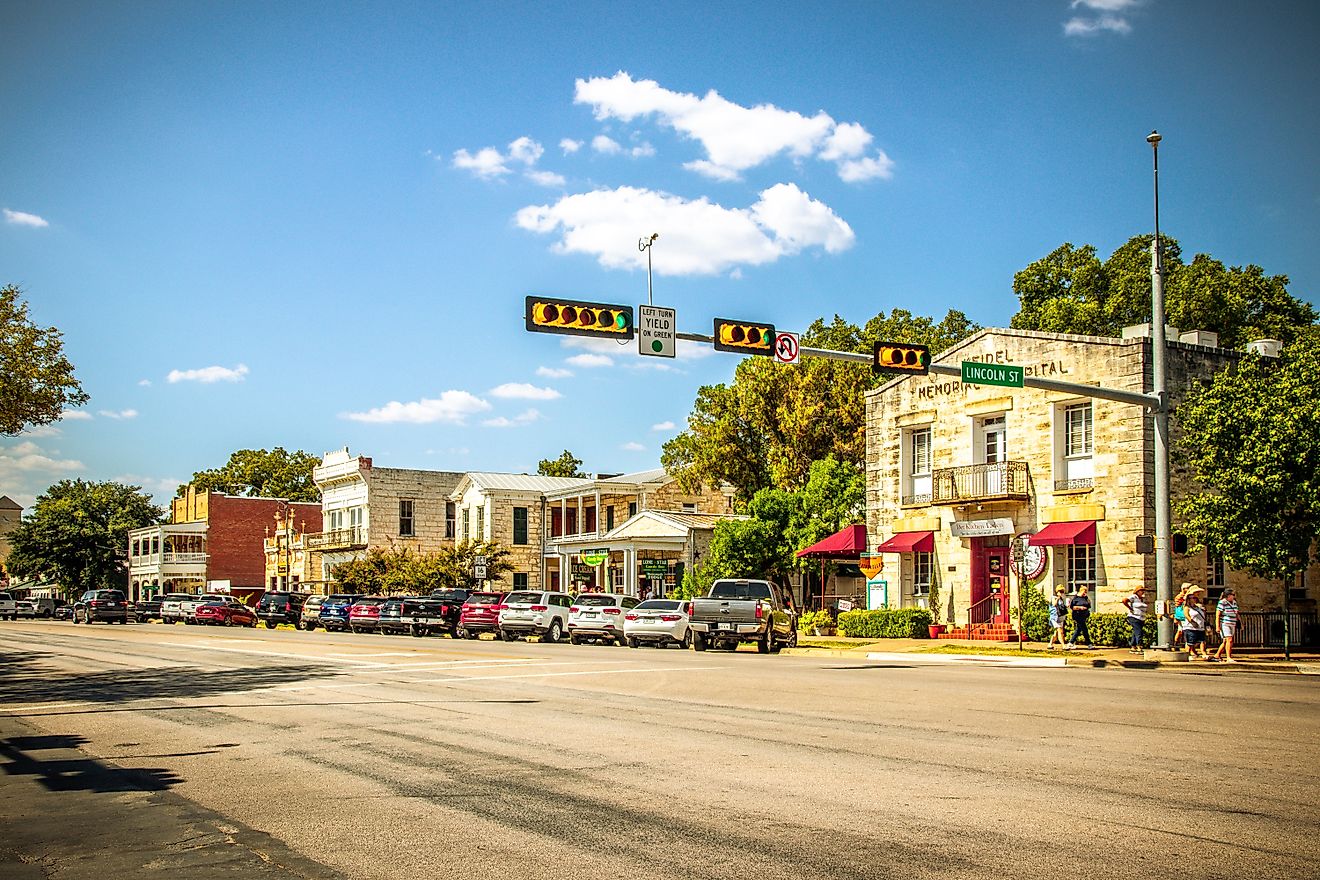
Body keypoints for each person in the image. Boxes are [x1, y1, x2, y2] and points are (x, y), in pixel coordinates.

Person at [1182, 587, 1210, 660]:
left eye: (1195, 598)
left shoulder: (1198, 607)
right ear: (1189, 599)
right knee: (1190, 642)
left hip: (1200, 627)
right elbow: (1187, 616)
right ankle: (1187, 654)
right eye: (1192, 598)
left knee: (1202, 641)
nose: (1194, 599)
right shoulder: (1187, 607)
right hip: (1190, 627)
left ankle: (1204, 653)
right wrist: (1192, 622)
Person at [1214, 587, 1239, 663]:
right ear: (1228, 595)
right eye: (1232, 595)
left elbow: (1237, 613)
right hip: (1225, 623)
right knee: (1229, 640)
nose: (1234, 596)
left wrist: (1240, 622)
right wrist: (1217, 626)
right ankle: (1228, 657)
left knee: (1225, 641)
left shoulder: (1234, 602)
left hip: (1232, 623)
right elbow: (1218, 615)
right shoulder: (1222, 602)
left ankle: (1217, 655)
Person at [1122, 585, 1148, 654]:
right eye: (1141, 590)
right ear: (1137, 591)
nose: (1142, 592)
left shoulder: (1142, 599)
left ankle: (1133, 647)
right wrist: (1130, 608)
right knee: (1139, 632)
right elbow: (1124, 600)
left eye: (1143, 590)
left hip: (1141, 618)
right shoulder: (1133, 597)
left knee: (1135, 632)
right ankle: (1139, 646)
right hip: (1134, 617)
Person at [1066, 585, 1092, 649]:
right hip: (1077, 615)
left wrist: (1087, 600)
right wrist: (1080, 608)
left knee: (1079, 629)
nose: (1085, 593)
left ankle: (1071, 642)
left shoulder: (1085, 598)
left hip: (1084, 616)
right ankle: (1089, 643)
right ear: (1081, 591)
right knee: (1084, 629)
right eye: (1084, 591)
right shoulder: (1076, 598)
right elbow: (1072, 607)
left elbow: (1088, 605)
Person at [1172, 584, 1190, 649]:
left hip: (1183, 615)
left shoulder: (1187, 596)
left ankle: (1176, 643)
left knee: (1181, 630)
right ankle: (1176, 643)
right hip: (1181, 616)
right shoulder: (1180, 596)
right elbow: (1177, 606)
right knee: (1181, 630)